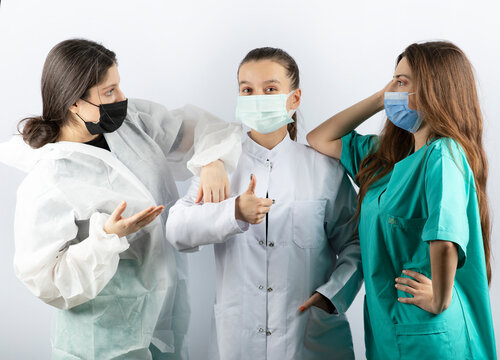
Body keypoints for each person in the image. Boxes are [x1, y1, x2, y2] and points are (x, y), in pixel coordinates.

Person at [0, 39, 242, 359]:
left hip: (165, 319)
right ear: (74, 102)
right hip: (102, 340)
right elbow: (46, 280)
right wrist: (106, 239)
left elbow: (202, 129)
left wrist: (212, 160)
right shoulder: (49, 179)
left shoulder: (131, 124)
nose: (122, 98)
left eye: (119, 86)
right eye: (109, 91)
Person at [166, 47, 363, 360]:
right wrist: (233, 211)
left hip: (307, 336)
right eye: (247, 90)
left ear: (294, 99)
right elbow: (176, 229)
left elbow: (356, 241)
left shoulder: (324, 169)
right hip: (239, 339)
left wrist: (333, 295)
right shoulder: (219, 165)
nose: (257, 97)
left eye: (270, 89)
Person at [307, 41, 496, 359]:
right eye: (393, 80)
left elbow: (445, 236)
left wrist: (439, 297)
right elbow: (319, 138)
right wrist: (382, 98)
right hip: (387, 324)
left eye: (403, 82)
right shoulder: (384, 157)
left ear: (435, 89)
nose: (393, 89)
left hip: (426, 326)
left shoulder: (443, 153)